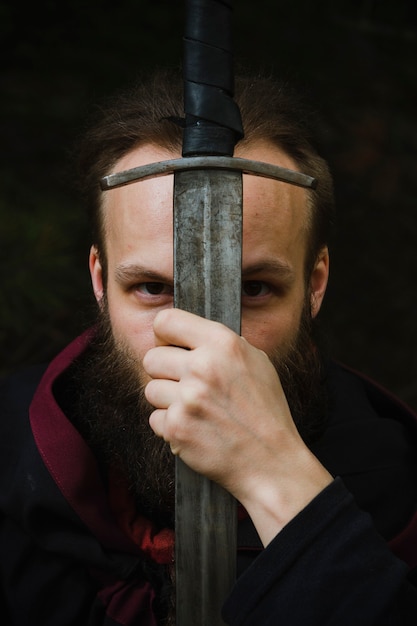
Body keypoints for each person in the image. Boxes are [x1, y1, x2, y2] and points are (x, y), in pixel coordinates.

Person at [1, 69, 417, 626]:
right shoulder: (11, 453)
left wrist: (277, 476)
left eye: (252, 289)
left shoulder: (400, 487)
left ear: (315, 284)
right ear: (100, 282)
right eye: (151, 288)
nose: (208, 350)